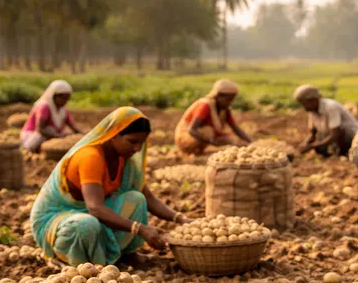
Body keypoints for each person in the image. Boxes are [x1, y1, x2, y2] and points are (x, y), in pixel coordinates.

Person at [31, 107, 190, 266]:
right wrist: (139, 228)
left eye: (141, 143)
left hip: (88, 212)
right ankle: (74, 262)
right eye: (132, 141)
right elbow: (95, 208)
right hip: (59, 219)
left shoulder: (124, 159)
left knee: (136, 199)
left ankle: (126, 254)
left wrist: (181, 219)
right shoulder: (90, 157)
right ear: (113, 135)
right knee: (85, 226)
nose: (137, 149)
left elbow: (147, 197)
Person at [175, 79, 253, 155]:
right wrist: (211, 142)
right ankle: (194, 152)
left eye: (231, 100)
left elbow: (236, 128)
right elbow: (191, 129)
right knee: (208, 131)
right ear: (218, 95)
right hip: (186, 138)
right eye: (228, 99)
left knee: (231, 140)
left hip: (208, 139)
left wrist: (251, 142)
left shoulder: (225, 110)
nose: (229, 103)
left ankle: (202, 150)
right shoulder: (205, 105)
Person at [293, 84, 358, 157]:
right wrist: (304, 145)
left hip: (351, 137)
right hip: (333, 138)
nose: (303, 107)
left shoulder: (331, 107)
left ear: (313, 100)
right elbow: (313, 134)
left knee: (340, 131)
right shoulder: (312, 111)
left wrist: (311, 146)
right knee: (319, 145)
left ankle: (344, 153)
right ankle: (335, 152)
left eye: (304, 103)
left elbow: (336, 133)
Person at [20, 80, 83, 153]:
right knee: (50, 130)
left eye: (67, 99)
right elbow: (40, 129)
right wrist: (58, 136)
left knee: (66, 134)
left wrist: (84, 136)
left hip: (52, 135)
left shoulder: (63, 110)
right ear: (54, 96)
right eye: (63, 98)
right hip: (32, 136)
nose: (65, 101)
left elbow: (74, 128)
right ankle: (27, 151)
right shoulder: (44, 107)